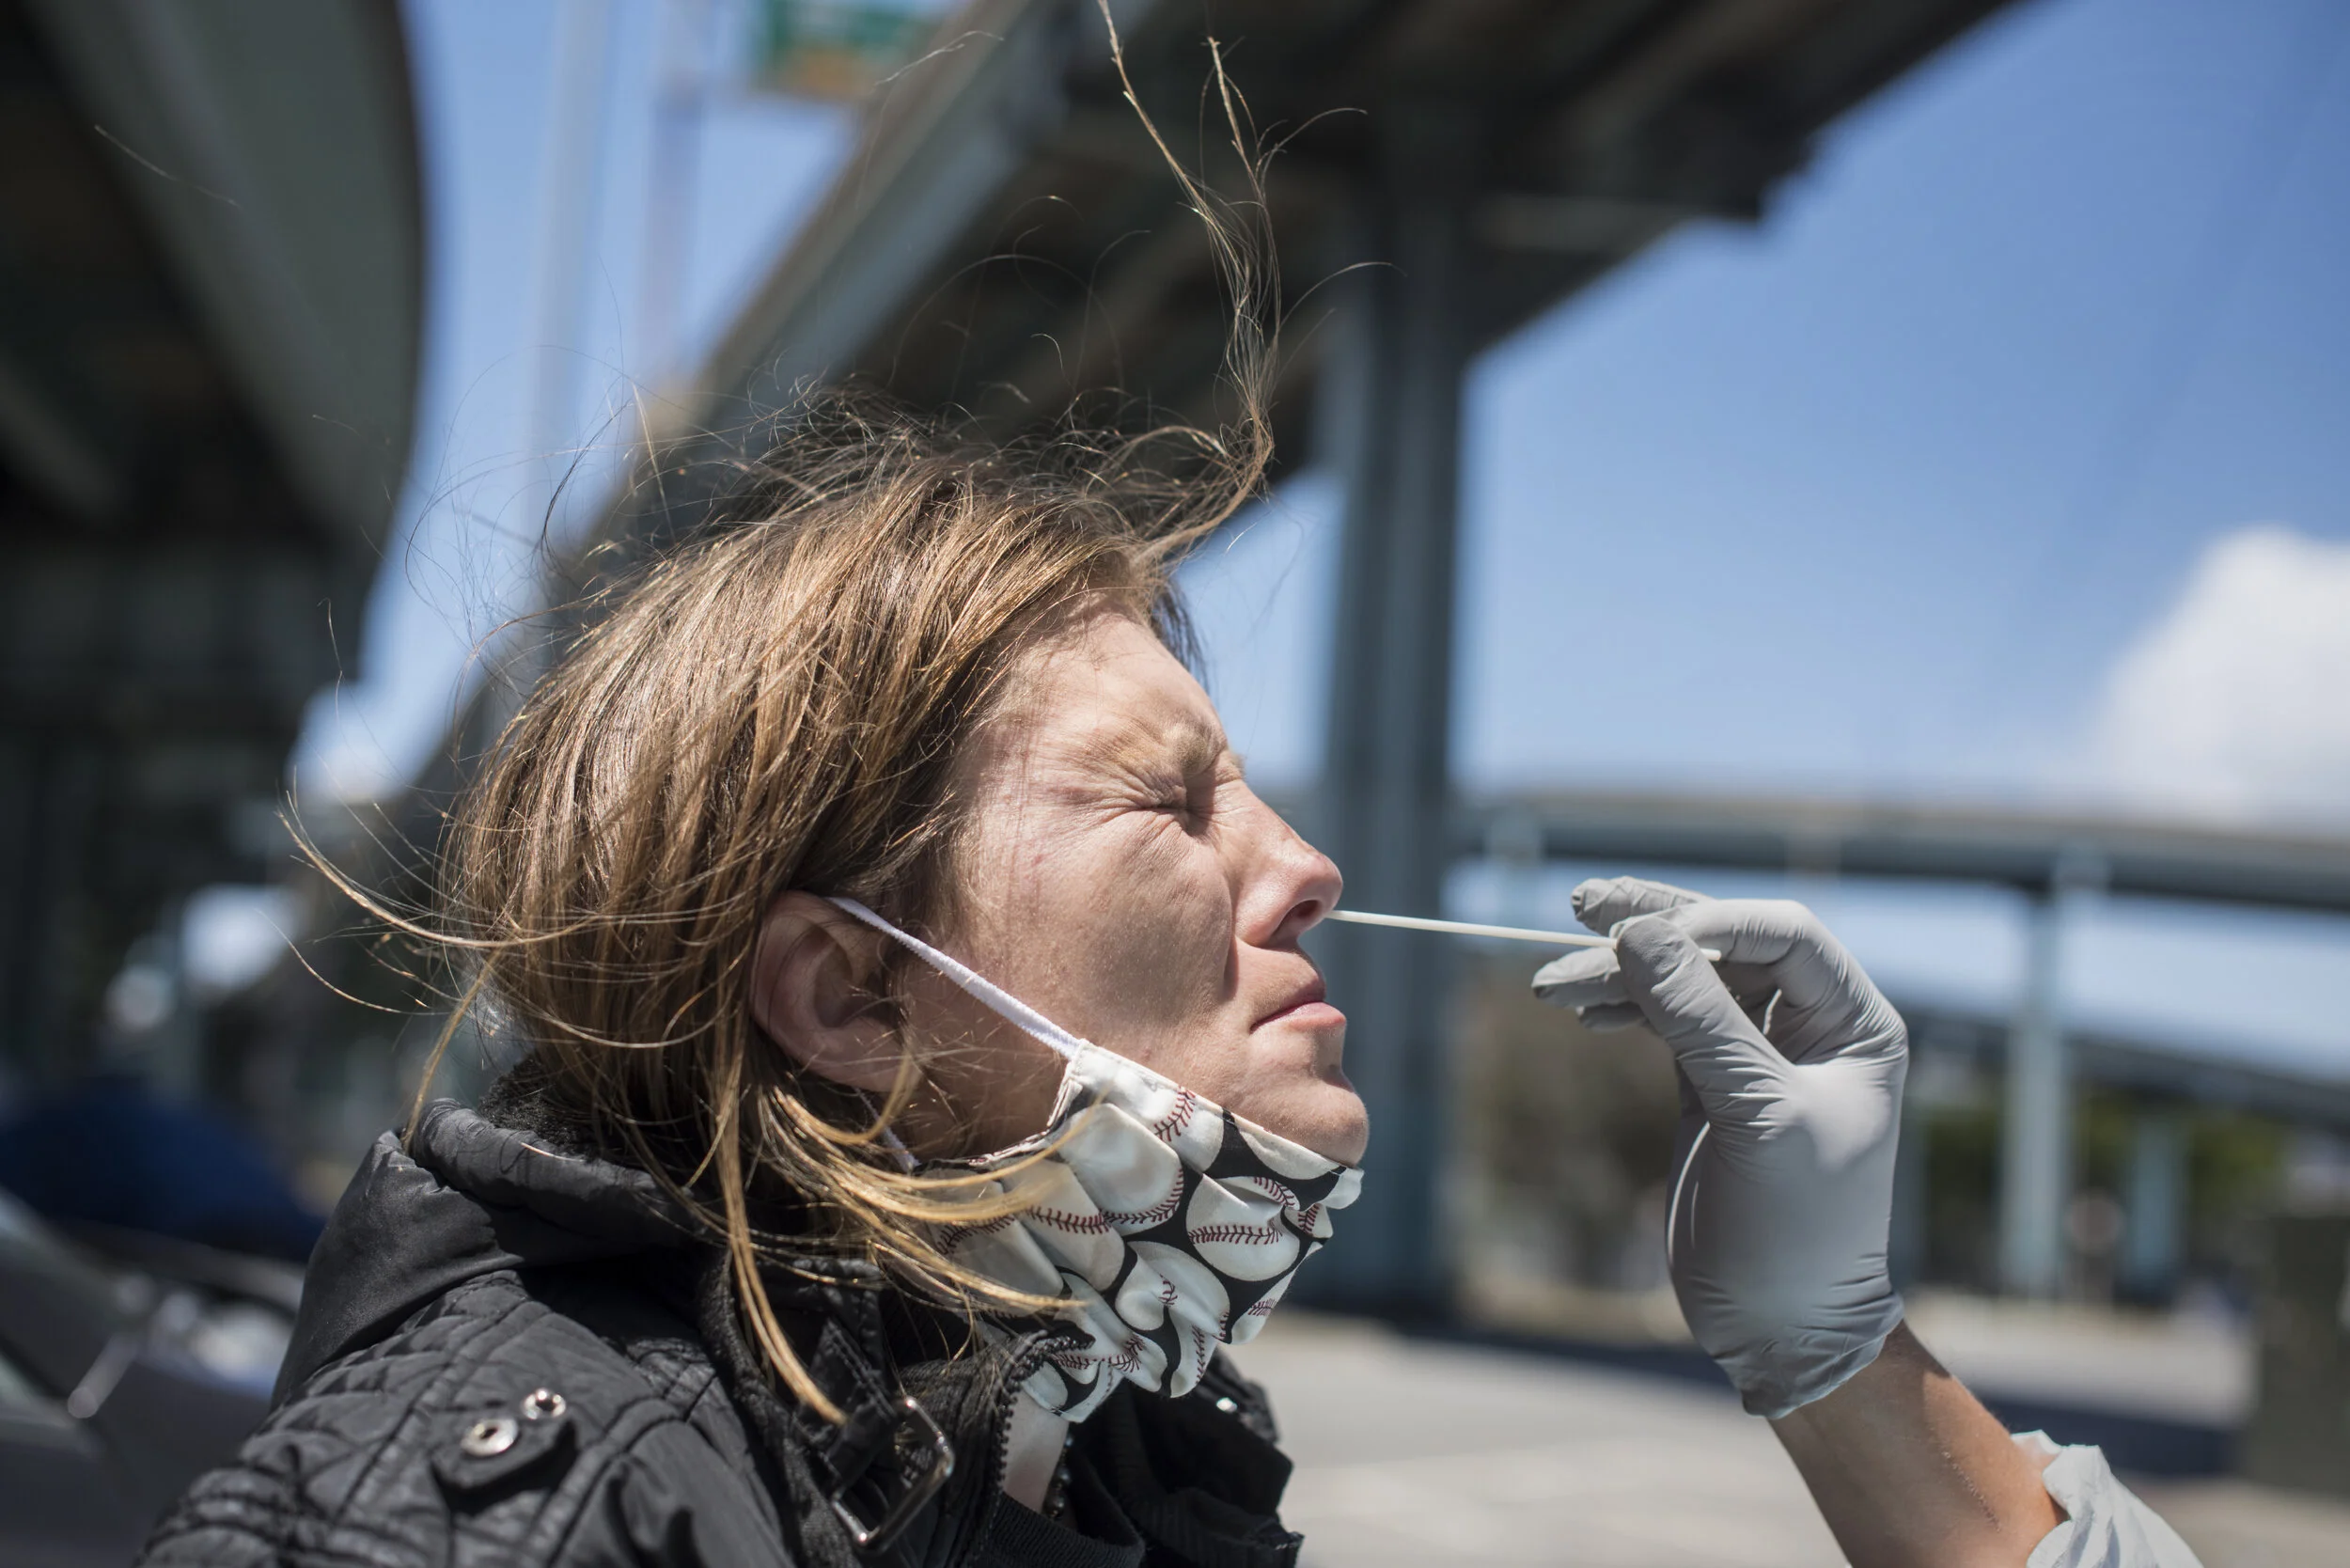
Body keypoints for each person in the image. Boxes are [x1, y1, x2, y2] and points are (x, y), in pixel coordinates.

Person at [133, 32, 2198, 1568]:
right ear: (847, 995)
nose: (1301, 868)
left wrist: (1835, 1358)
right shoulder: (519, 1518)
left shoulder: (1106, 1445)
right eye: (1163, 805)